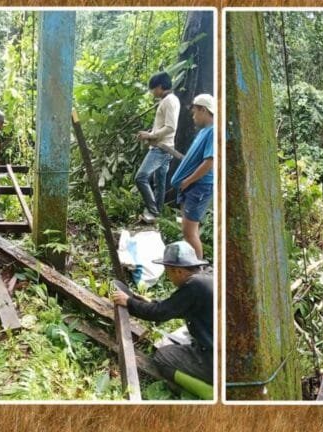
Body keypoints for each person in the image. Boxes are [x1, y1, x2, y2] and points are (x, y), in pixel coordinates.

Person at [112, 241, 213, 397]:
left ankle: (212, 392)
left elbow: (160, 313)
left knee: (162, 358)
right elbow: (177, 307)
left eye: (168, 272)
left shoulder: (195, 285)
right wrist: (151, 303)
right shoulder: (207, 277)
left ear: (178, 271)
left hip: (215, 359)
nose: (169, 277)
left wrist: (129, 303)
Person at [170, 94, 215, 259]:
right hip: (191, 187)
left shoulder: (213, 131)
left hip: (199, 186)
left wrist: (188, 181)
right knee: (187, 231)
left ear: (203, 110)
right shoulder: (204, 132)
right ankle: (190, 263)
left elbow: (209, 162)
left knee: (190, 233)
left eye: (195, 112)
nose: (193, 116)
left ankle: (196, 268)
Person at [135, 72, 181, 224]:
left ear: (160, 87)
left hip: (161, 148)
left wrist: (150, 135)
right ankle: (157, 216)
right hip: (165, 147)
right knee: (159, 183)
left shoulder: (169, 101)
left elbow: (170, 127)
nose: (152, 92)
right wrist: (149, 134)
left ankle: (153, 211)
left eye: (153, 89)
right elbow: (164, 126)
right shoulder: (169, 100)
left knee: (141, 177)